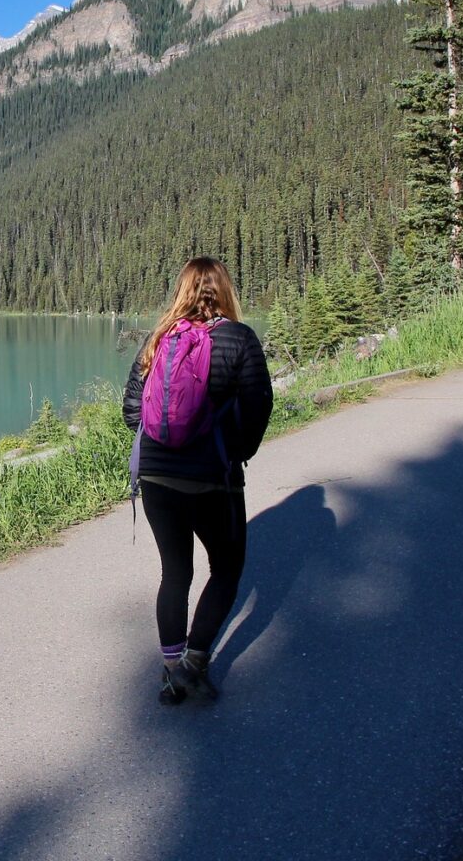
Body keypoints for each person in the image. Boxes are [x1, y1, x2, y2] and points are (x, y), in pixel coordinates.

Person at [123, 257, 272, 705]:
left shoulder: (157, 340)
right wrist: (236, 452)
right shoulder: (240, 339)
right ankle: (192, 662)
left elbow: (131, 411)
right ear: (225, 290)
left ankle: (172, 672)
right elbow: (259, 405)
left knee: (175, 572)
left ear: (181, 291)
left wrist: (165, 445)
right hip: (213, 478)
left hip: (156, 475)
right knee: (226, 570)